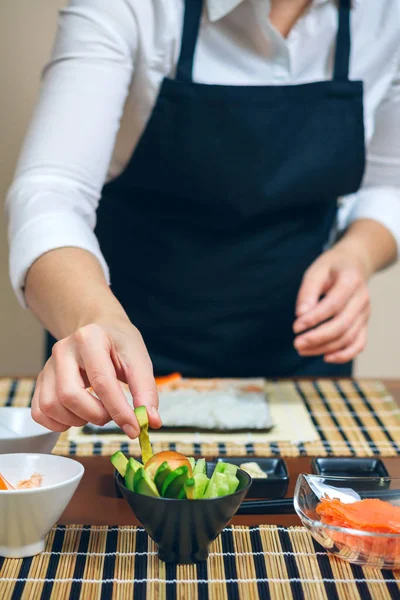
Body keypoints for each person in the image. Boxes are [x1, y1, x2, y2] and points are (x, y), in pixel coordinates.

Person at [6, 0, 400, 438]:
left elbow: (390, 184)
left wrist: (358, 253)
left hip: (302, 364)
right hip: (124, 369)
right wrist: (90, 318)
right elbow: (50, 194)